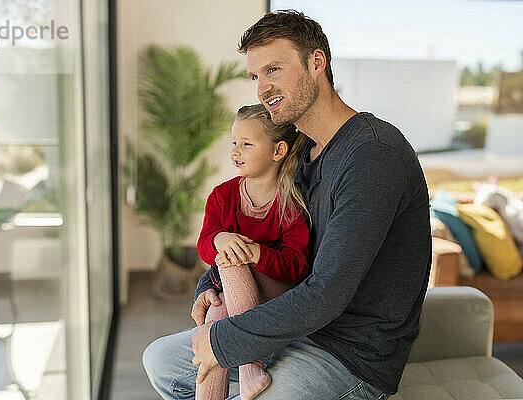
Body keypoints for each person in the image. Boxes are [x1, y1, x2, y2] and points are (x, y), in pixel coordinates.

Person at [144, 10, 431, 400]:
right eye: (255, 76)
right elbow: (255, 239)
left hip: (348, 354)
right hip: (292, 322)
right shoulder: (302, 157)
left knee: (214, 354)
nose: (262, 88)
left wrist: (224, 341)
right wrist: (206, 288)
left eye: (274, 69)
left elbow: (327, 293)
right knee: (160, 360)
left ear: (317, 63)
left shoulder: (372, 155)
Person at [195, 104, 309, 400]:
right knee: (215, 321)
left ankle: (250, 364)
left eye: (247, 144)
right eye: (234, 142)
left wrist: (256, 253)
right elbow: (205, 245)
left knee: (231, 262)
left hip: (276, 298)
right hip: (235, 296)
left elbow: (297, 267)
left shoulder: (290, 205)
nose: (236, 151)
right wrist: (220, 238)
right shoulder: (222, 196)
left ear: (278, 151)